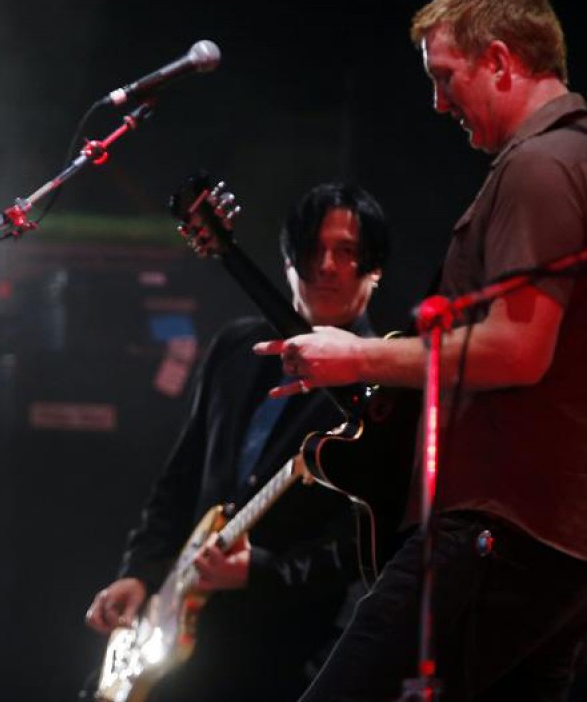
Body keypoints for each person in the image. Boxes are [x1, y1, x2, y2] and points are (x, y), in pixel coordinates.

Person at [256, 1, 587, 699]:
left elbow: (518, 350)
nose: (438, 105)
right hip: (550, 542)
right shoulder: (567, 158)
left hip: (494, 530)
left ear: (499, 60)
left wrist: (360, 357)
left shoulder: (540, 165)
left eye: (445, 77)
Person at [84, 182, 391, 701]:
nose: (326, 266)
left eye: (347, 252)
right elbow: (179, 484)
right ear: (288, 258)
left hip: (284, 658)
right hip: (180, 647)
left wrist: (263, 571)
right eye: (312, 249)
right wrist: (140, 573)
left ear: (374, 268)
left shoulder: (375, 391)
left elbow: (364, 552)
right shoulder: (235, 348)